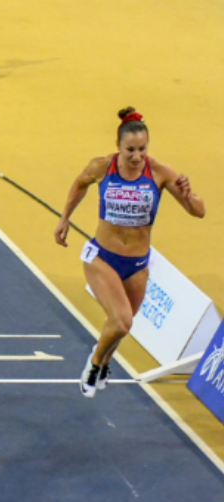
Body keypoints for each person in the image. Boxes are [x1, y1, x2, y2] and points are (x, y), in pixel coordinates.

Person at [56, 107, 206, 397]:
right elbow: (79, 184)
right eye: (130, 150)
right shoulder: (103, 166)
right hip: (102, 258)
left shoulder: (159, 172)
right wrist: (65, 218)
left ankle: (105, 360)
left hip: (137, 264)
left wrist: (189, 196)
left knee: (121, 326)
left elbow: (198, 212)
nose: (137, 157)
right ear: (118, 147)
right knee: (122, 320)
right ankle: (95, 362)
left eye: (142, 149)